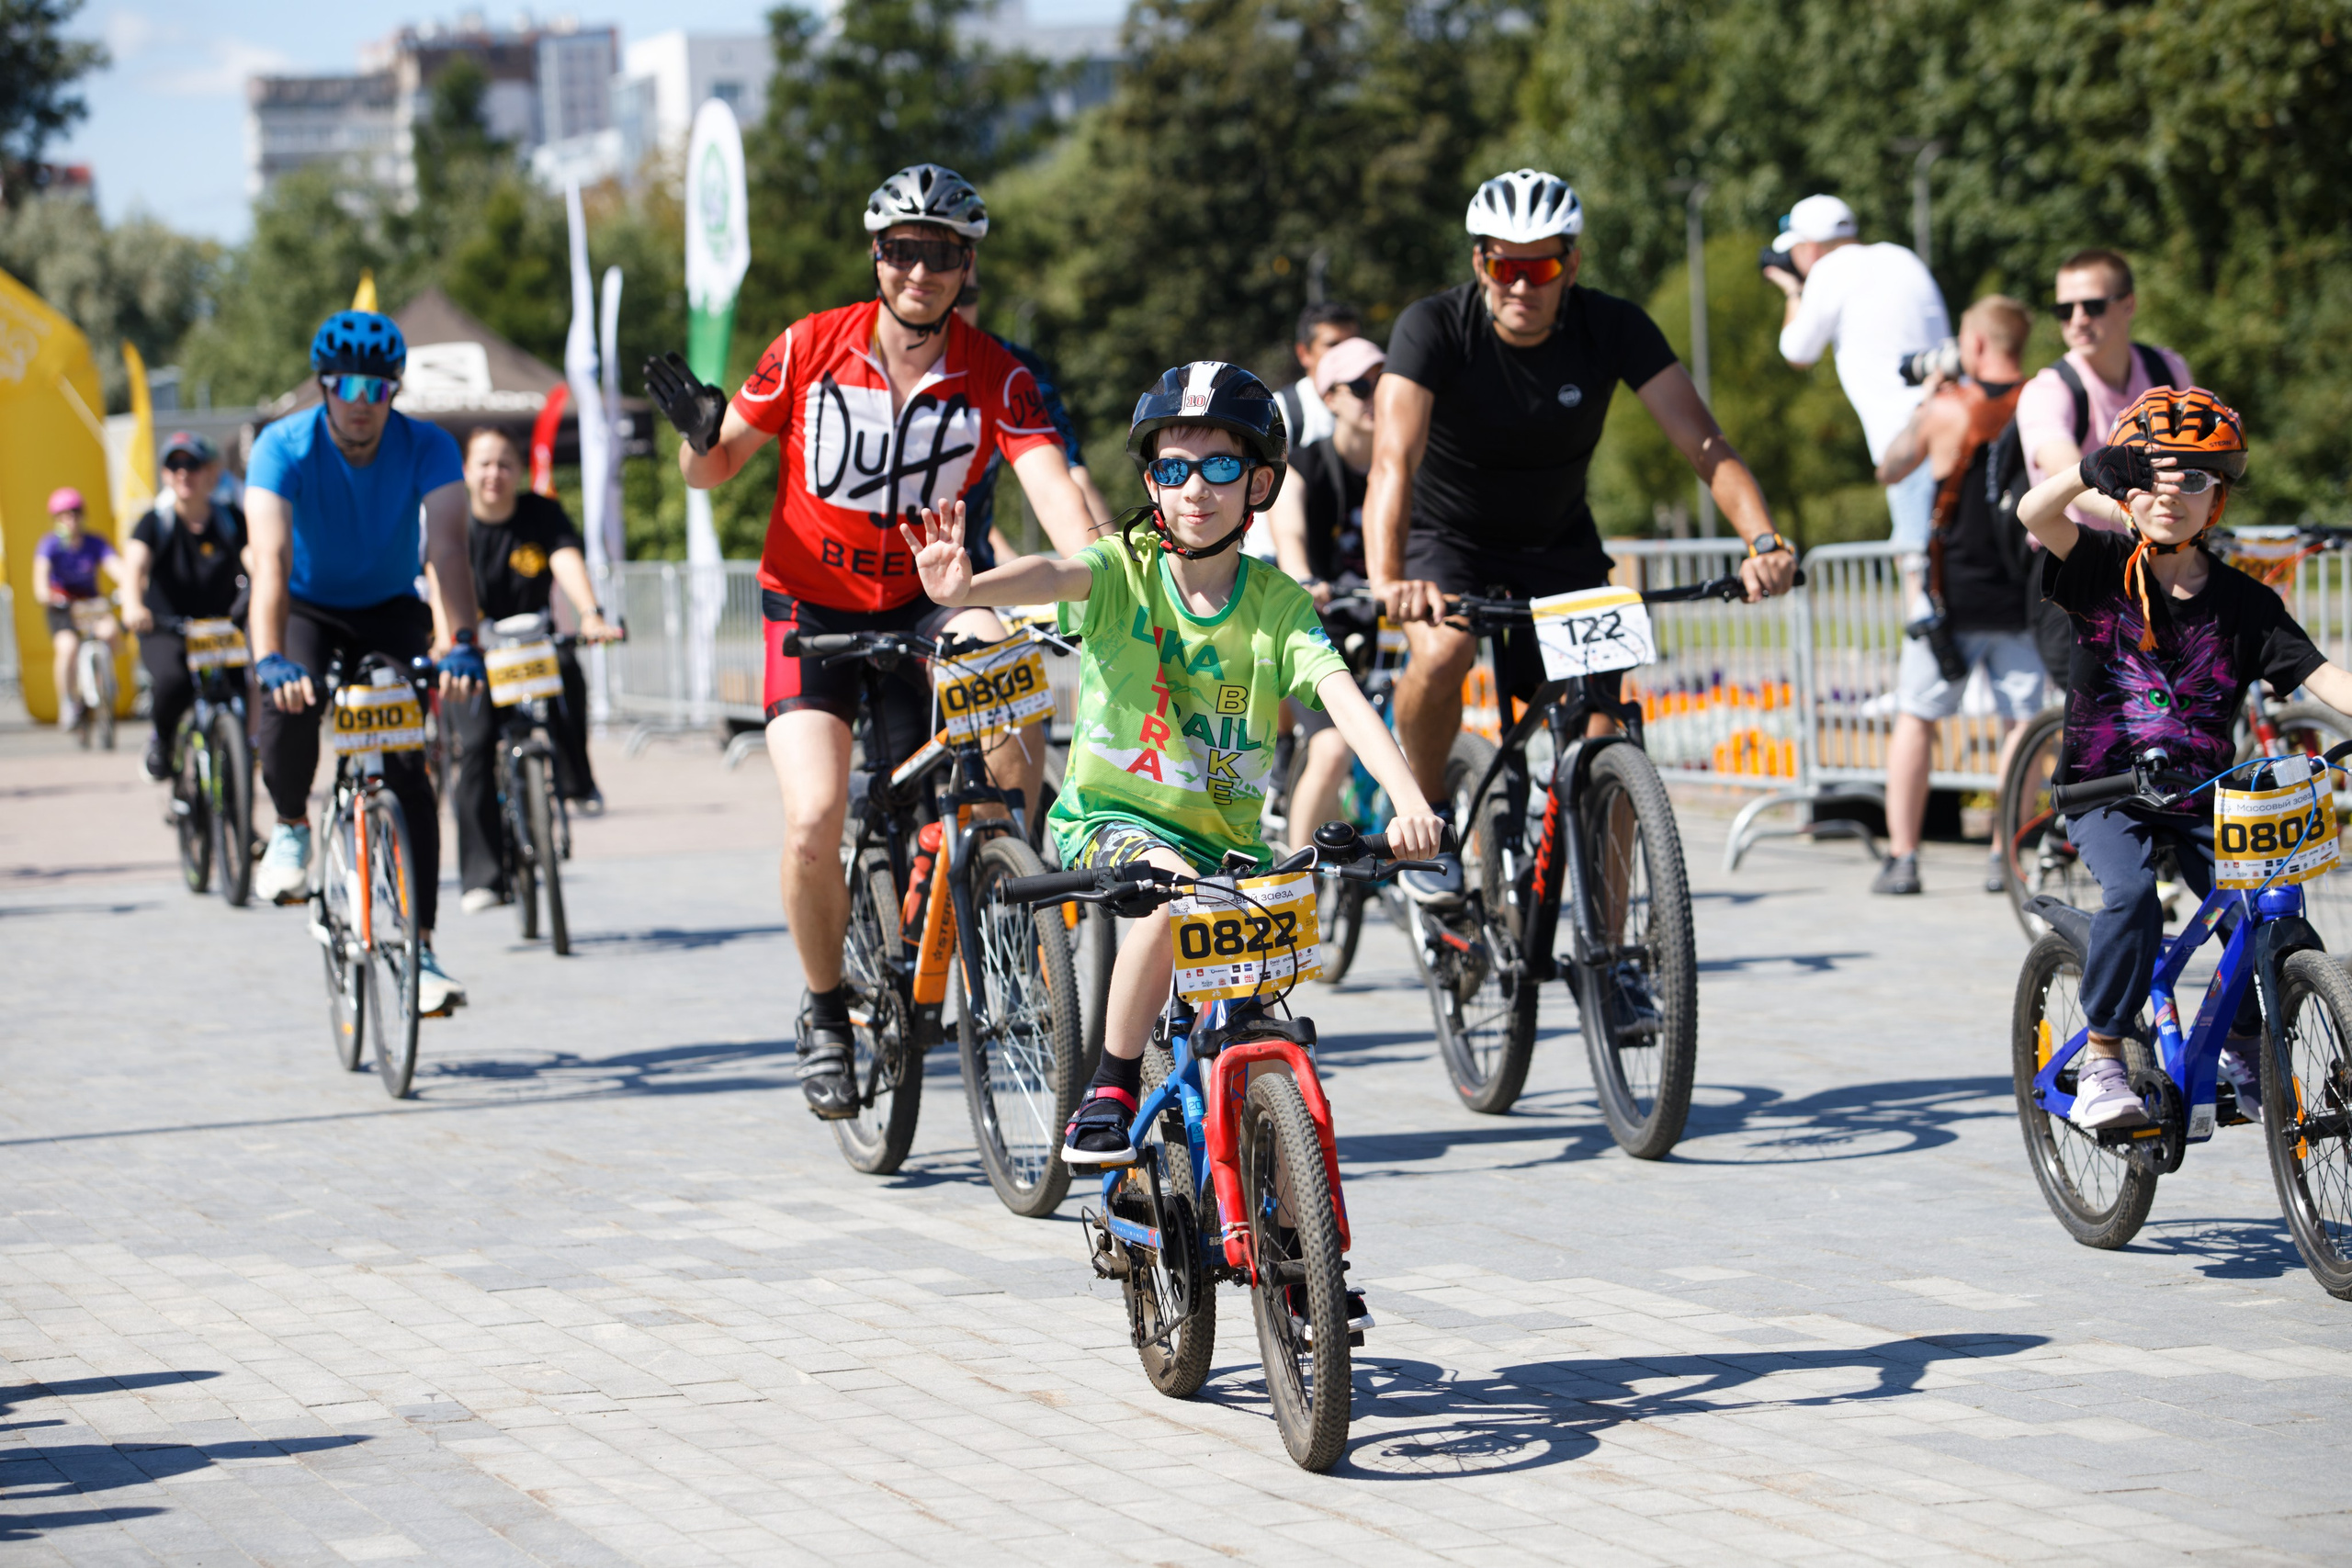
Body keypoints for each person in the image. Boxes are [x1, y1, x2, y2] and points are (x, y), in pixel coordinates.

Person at [900, 362, 1443, 1197]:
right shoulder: (1126, 569)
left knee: (1248, 996)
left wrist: (1409, 802)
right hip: (1107, 820)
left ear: (1259, 482)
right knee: (1173, 896)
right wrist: (969, 584)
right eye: (1173, 467)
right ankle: (1112, 1084)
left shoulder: (1277, 604)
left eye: (1221, 466)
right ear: (1151, 479)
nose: (1196, 488)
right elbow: (1053, 573)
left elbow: (1346, 702)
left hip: (1221, 838)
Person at [645, 162, 1102, 1119]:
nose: (919, 272)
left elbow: (1057, 496)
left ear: (966, 265)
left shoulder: (994, 374)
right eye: (903, 250)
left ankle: (983, 872)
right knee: (814, 817)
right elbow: (715, 466)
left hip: (932, 598)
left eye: (940, 254)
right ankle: (821, 1012)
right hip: (807, 609)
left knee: (1011, 692)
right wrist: (696, 434)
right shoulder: (813, 345)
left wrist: (1108, 587)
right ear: (877, 255)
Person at [1366, 168, 1797, 882]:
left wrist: (1764, 540)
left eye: (1542, 266)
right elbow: (1392, 461)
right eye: (1505, 265)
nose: (1521, 286)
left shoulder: (1612, 325)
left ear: (1572, 264)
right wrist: (1389, 580)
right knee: (1442, 656)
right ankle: (1425, 808)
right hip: (1448, 542)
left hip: (1558, 545)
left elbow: (1705, 443)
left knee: (1609, 733)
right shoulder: (1433, 326)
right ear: (1480, 262)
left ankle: (1621, 952)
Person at [2012, 388, 2352, 1129]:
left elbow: (2320, 675)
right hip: (2106, 791)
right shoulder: (2100, 567)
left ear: (2217, 501)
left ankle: (2242, 1041)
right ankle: (2103, 1054)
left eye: (2192, 479)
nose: (2170, 494)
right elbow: (2034, 515)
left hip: (2207, 797)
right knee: (2131, 898)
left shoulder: (2244, 603)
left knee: (2272, 918)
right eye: (2149, 477)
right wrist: (2087, 470)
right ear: (2124, 493)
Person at [245, 310, 485, 1018]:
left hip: (387, 606)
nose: (360, 400)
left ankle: (424, 948)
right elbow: (271, 561)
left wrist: (461, 640)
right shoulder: (281, 446)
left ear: (395, 392)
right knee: (291, 701)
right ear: (323, 387)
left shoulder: (429, 446)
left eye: (377, 388)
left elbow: (447, 551)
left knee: (409, 766)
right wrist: (267, 658)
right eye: (345, 385)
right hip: (306, 604)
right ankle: (291, 826)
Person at [1869, 297, 2043, 896]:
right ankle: (2004, 851)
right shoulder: (2043, 404)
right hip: (2023, 594)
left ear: (1972, 345)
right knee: (2023, 721)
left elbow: (1891, 467)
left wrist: (1927, 398)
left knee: (1917, 718)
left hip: (1952, 596)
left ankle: (1903, 856)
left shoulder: (1946, 407)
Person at [447, 427, 622, 914]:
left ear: (519, 471)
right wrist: (451, 641)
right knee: (478, 746)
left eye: (504, 463)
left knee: (568, 667)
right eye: (483, 463)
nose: (493, 474)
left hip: (532, 644)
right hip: (475, 650)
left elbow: (566, 558)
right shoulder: (453, 521)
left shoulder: (540, 513)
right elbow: (442, 582)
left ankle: (576, 779)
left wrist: (589, 613)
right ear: (466, 471)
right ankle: (482, 877)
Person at [2014, 248, 2190, 677]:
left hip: (2154, 555)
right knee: (2098, 727)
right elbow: (2065, 467)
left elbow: (2196, 457)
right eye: (2064, 308)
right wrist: (2131, 513)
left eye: (2092, 305)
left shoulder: (2166, 369)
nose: (2077, 319)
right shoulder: (2049, 389)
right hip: (2076, 561)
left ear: (2128, 304)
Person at [1766, 194, 1952, 560]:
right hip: (1949, 423)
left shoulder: (1829, 270)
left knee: (1921, 568)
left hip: (1908, 444)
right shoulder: (1902, 257)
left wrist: (1793, 292)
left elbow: (1796, 352)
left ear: (1810, 248)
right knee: (1928, 556)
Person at [1267, 333, 1385, 843]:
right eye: (1361, 387)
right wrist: (1301, 574)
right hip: (1319, 631)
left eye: (1385, 385)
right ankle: (1296, 896)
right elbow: (1287, 528)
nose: (1375, 397)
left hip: (1388, 634)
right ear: (1329, 396)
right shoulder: (1306, 466)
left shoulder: (1406, 465)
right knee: (1333, 748)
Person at [952, 265, 1114, 565]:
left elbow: (1070, 472)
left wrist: (1118, 569)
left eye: (966, 296)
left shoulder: (1017, 367)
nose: (955, 309)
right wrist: (1006, 560)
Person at [119, 433, 249, 780]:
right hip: (167, 628)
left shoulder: (231, 520)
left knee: (248, 689)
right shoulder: (155, 523)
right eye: (174, 465)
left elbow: (255, 560)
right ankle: (161, 740)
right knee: (174, 681)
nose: (183, 473)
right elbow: (134, 566)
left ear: (211, 473)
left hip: (222, 631)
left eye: (191, 464)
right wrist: (133, 605)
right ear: (165, 475)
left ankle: (241, 790)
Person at [31, 487, 124, 735]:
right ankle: (68, 701)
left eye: (74, 513)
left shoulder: (95, 542)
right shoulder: (49, 545)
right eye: (63, 515)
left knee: (111, 632)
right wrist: (45, 594)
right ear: (56, 519)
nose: (70, 519)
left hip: (90, 604)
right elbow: (40, 579)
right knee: (68, 647)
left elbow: (116, 567)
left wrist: (129, 586)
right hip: (62, 607)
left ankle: (106, 680)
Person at [1273, 300, 1363, 458]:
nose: (1347, 353)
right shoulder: (1280, 413)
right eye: (1332, 345)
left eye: (1351, 344)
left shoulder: (1378, 404)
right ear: (1304, 353)